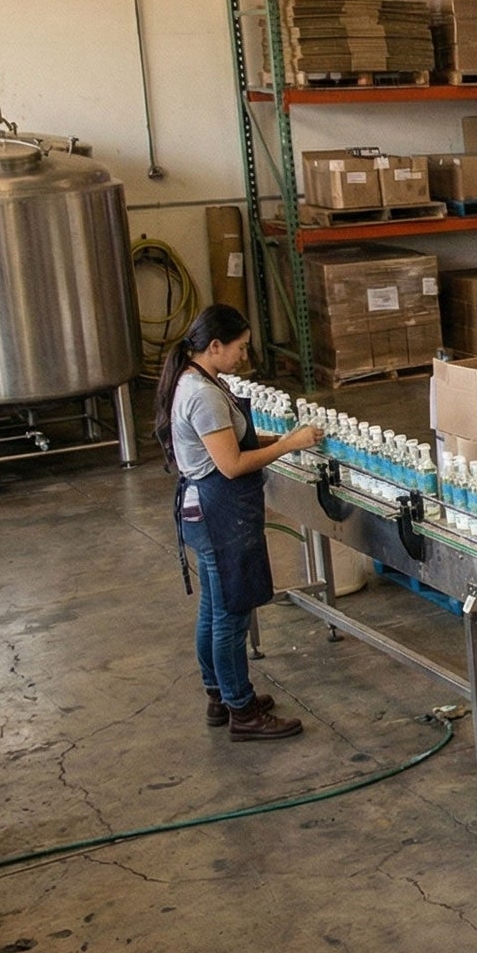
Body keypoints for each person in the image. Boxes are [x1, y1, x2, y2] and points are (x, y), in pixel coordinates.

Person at [155, 305, 317, 741]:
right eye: (240, 348)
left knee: (214, 607)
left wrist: (286, 439)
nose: (244, 357)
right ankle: (242, 711)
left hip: (204, 508)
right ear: (215, 346)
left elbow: (229, 440)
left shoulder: (196, 380)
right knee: (231, 614)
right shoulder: (202, 395)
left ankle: (220, 694)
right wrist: (286, 446)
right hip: (218, 511)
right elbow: (231, 464)